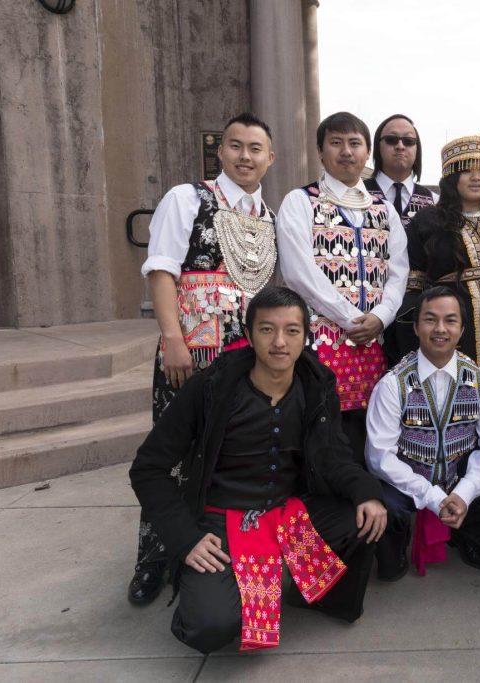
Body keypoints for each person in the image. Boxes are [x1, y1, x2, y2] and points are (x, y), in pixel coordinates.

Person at [130, 286, 388, 654]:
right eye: (267, 330)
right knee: (210, 627)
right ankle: (233, 582)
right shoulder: (211, 389)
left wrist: (367, 491)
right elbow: (147, 468)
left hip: (286, 513)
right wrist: (185, 538)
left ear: (306, 337)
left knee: (364, 518)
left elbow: (332, 456)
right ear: (249, 336)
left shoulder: (316, 385)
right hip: (218, 523)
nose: (280, 342)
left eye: (292, 331)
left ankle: (276, 578)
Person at [129, 112, 278, 605]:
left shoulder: (269, 216)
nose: (244, 156)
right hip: (193, 349)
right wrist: (172, 337)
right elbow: (162, 269)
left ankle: (214, 548)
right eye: (235, 146)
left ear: (269, 158)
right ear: (220, 152)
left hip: (247, 354)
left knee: (227, 451)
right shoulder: (188, 198)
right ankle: (155, 555)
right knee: (174, 453)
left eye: (255, 148)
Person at [276, 111, 408, 463]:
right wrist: (350, 317)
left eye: (354, 143)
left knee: (373, 435)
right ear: (320, 151)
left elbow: (398, 273)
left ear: (367, 153)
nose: (346, 152)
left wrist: (380, 317)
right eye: (336, 143)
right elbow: (298, 272)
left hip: (375, 343)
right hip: (320, 342)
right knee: (320, 435)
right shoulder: (301, 201)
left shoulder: (384, 210)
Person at [365, 287, 480, 578]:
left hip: (456, 473)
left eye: (450, 320)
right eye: (430, 319)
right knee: (382, 499)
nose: (440, 329)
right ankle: (396, 547)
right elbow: (379, 457)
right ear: (415, 327)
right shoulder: (392, 384)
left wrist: (464, 492)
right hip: (409, 479)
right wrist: (432, 497)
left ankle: (470, 535)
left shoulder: (478, 378)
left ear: (462, 329)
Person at [399, 135, 480, 414]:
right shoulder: (428, 220)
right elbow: (415, 281)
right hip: (453, 324)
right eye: (467, 169)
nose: (476, 177)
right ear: (451, 176)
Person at [364, 114, 438, 227]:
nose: (400, 146)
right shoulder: (357, 195)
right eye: (391, 139)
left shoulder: (435, 203)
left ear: (417, 149)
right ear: (377, 146)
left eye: (408, 141)